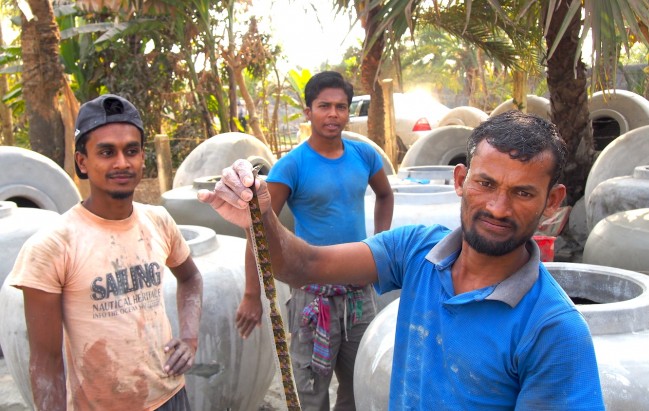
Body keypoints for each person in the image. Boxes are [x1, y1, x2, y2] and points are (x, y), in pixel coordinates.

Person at [199, 110, 606, 409]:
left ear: (552, 202)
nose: (498, 208)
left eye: (522, 193)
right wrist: (260, 218)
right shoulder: (417, 250)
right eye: (486, 184)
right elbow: (305, 267)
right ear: (461, 181)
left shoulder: (555, 332)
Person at [8, 94, 203, 411]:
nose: (122, 163)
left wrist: (190, 339)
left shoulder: (159, 221)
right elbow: (46, 362)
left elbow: (191, 278)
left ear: (142, 157)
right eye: (106, 152)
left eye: (132, 151)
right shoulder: (52, 246)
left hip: (172, 397)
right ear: (82, 161)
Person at [236, 71, 393, 410]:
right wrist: (252, 294)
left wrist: (382, 246)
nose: (333, 114)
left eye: (341, 107)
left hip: (359, 295)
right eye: (324, 106)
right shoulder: (292, 166)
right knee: (310, 391)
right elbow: (257, 228)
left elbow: (385, 195)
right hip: (313, 297)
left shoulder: (364, 156)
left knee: (359, 382)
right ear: (308, 112)